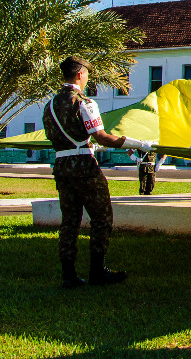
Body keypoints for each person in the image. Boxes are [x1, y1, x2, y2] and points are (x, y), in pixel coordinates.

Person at [43, 55, 154, 288]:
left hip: (61, 166)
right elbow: (102, 136)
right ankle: (97, 271)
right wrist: (137, 143)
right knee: (102, 217)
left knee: (69, 221)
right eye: (87, 75)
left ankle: (69, 275)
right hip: (83, 167)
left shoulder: (49, 106)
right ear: (80, 74)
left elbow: (64, 137)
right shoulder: (85, 103)